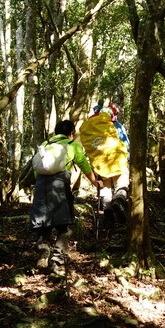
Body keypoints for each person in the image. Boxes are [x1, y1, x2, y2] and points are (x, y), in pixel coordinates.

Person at [30, 119, 101, 275]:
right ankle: (56, 260)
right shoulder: (72, 145)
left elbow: (36, 170)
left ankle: (43, 250)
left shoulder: (46, 144)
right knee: (64, 228)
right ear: (71, 133)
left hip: (41, 186)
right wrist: (96, 183)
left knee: (43, 228)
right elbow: (83, 164)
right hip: (60, 187)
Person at [82, 102, 130, 225]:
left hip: (99, 163)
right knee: (121, 183)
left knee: (106, 187)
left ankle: (108, 211)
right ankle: (118, 201)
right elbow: (125, 142)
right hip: (117, 159)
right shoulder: (115, 125)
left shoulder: (88, 126)